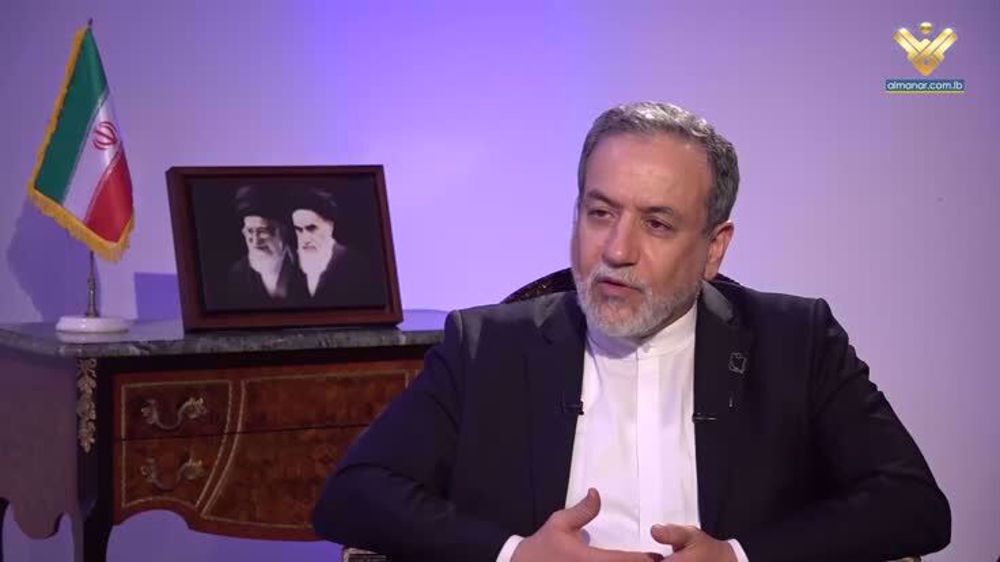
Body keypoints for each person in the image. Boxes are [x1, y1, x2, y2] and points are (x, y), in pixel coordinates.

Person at [312, 102, 950, 562]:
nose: (616, 250)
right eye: (600, 212)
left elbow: (912, 504)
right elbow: (354, 495)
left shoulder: (796, 341)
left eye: (658, 224)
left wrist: (738, 556)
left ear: (714, 248)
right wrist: (515, 554)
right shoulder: (488, 347)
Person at [291, 188, 386, 308]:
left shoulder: (356, 265)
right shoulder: (291, 265)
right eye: (299, 230)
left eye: (311, 228)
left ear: (330, 226)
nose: (305, 239)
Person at [224, 185, 306, 309]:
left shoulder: (308, 266)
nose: (255, 241)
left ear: (282, 231)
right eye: (250, 231)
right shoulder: (237, 274)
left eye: (263, 231)